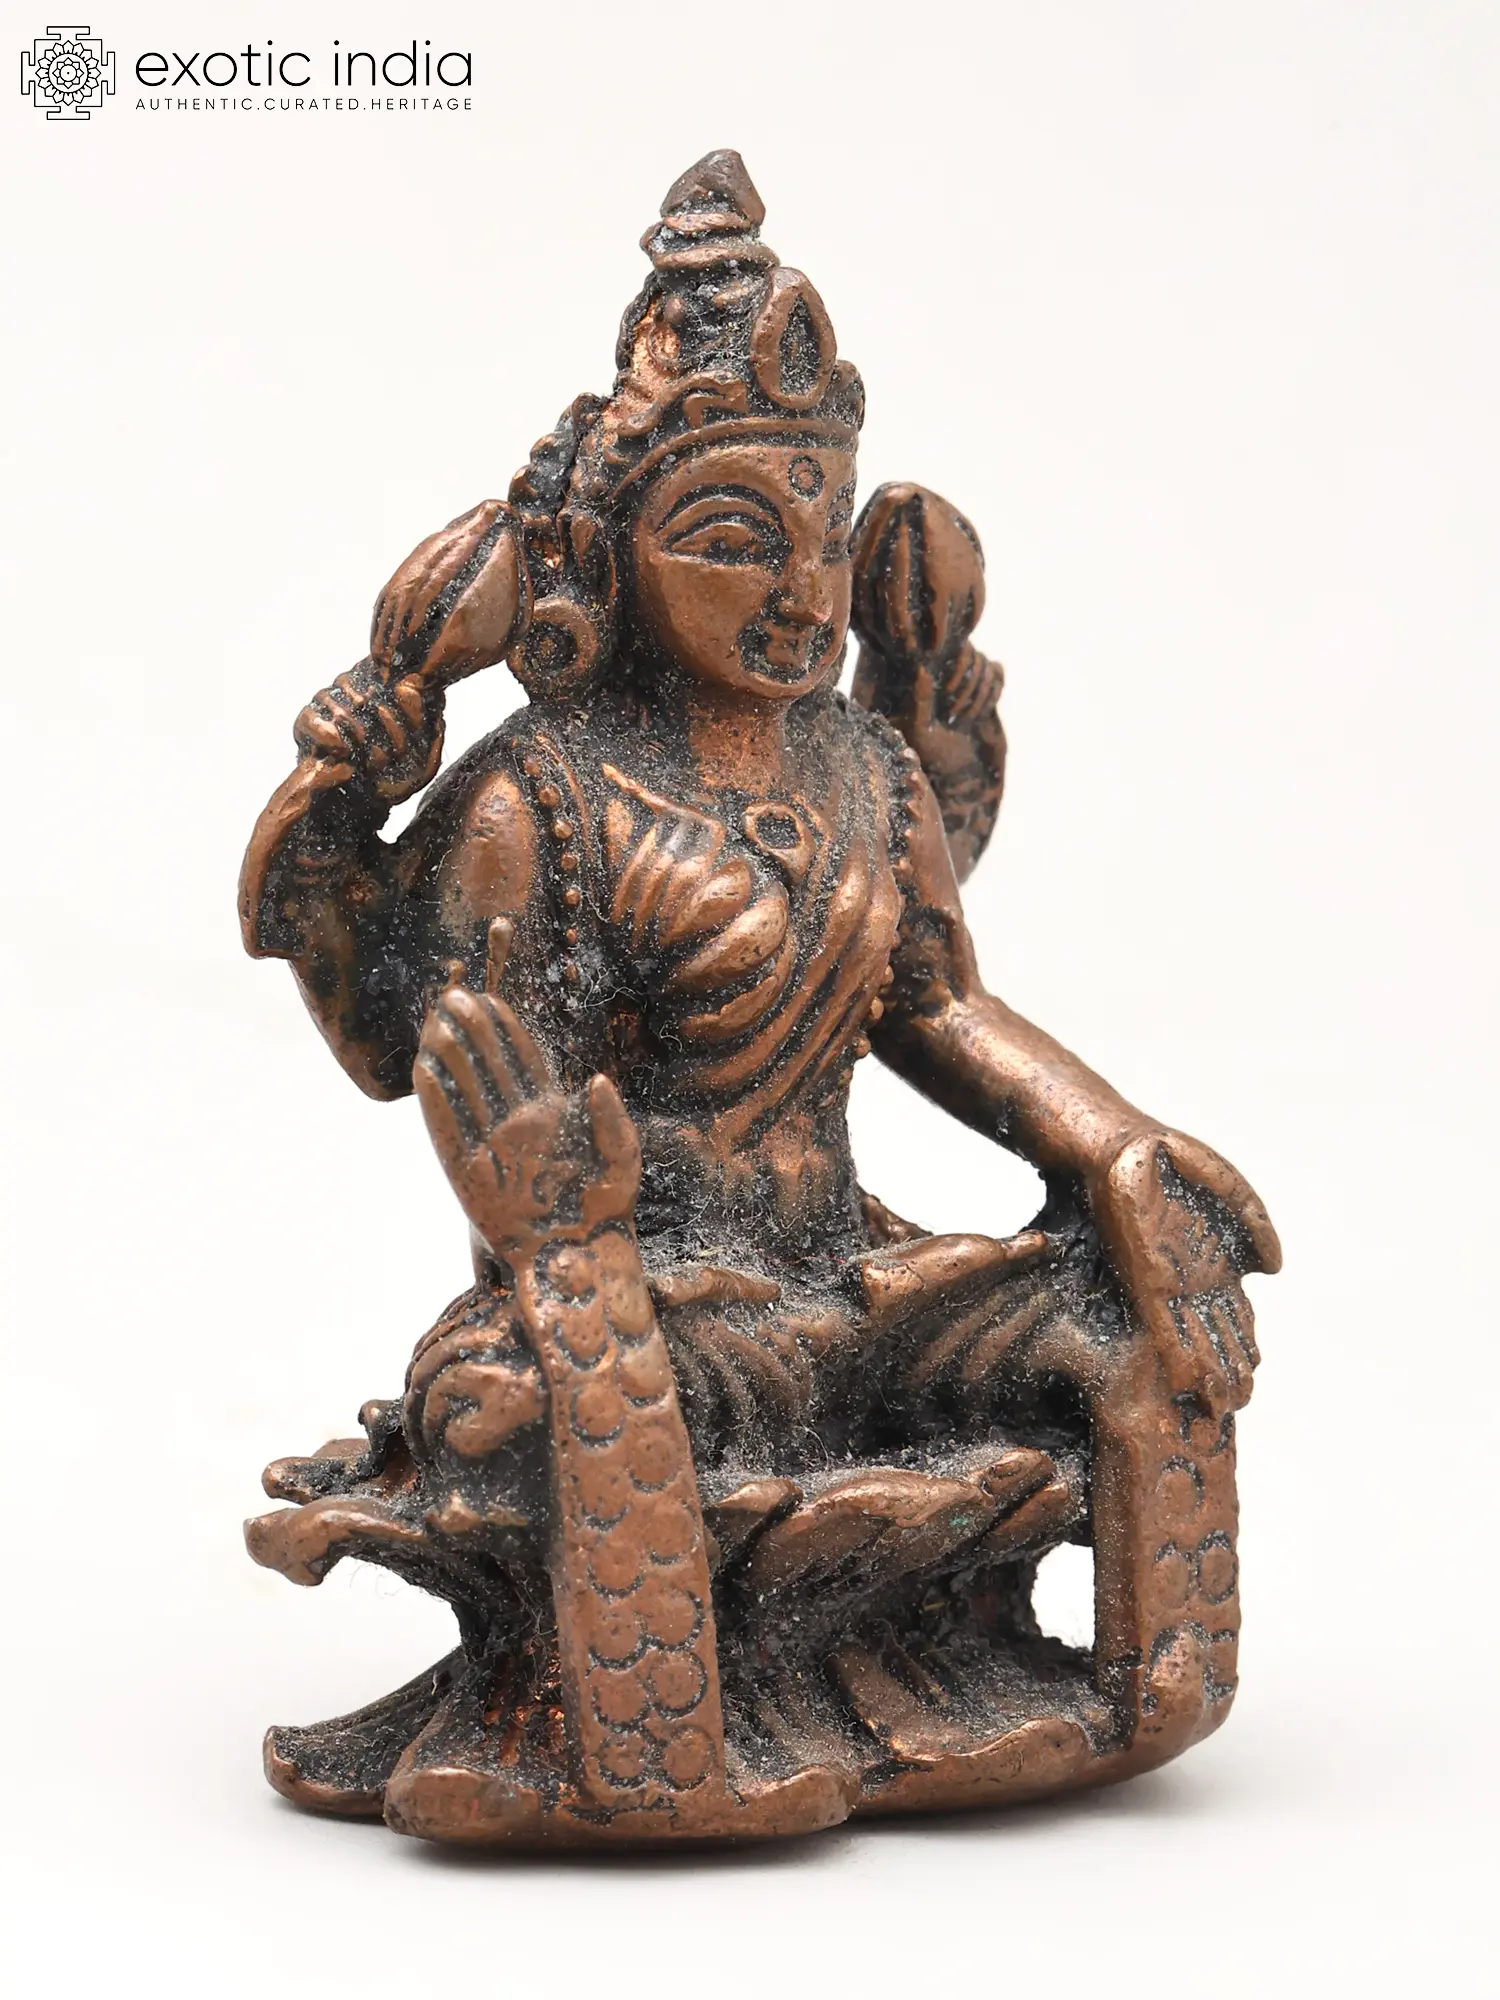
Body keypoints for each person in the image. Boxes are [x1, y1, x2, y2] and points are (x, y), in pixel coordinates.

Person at [242, 152, 1279, 1845]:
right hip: (653, 1309)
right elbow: (468, 1070)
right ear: (606, 566)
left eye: (818, 540)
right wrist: (550, 1230)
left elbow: (942, 1009)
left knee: (1116, 1314)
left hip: (854, 1294)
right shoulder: (541, 800)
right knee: (532, 1412)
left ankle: (1126, 1673)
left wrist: (1117, 1152)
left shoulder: (867, 769)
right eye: (733, 544)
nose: (798, 593)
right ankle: (640, 1728)